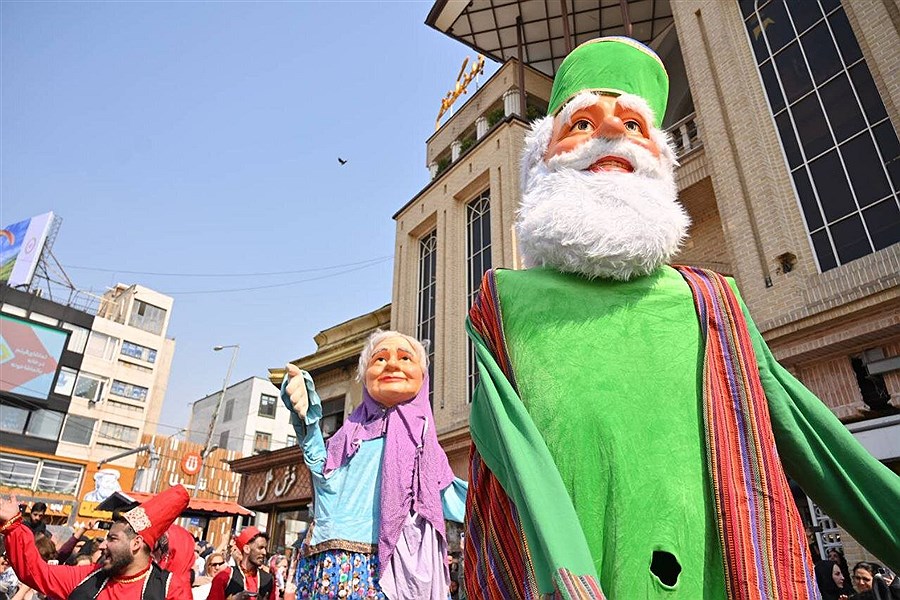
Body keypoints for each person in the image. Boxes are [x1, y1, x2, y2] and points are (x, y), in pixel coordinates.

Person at [463, 36, 900, 599]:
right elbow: (508, 446)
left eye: (633, 123)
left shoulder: (714, 299)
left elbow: (812, 434)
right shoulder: (502, 299)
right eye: (582, 123)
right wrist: (571, 580)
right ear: (542, 159)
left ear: (660, 160)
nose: (612, 132)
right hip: (572, 573)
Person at [282, 330, 467, 599]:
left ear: (423, 376)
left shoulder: (425, 444)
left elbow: (453, 498)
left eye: (405, 358)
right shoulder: (350, 434)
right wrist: (306, 415)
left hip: (397, 569)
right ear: (365, 375)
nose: (392, 364)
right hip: (336, 567)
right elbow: (322, 472)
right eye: (379, 359)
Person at [0, 485, 191, 600]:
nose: (101, 545)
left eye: (112, 539)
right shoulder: (88, 576)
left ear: (136, 544)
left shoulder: (170, 589)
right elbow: (35, 571)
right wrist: (13, 525)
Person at [207, 526, 275, 600]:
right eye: (260, 548)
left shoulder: (268, 580)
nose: (264, 552)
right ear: (246, 549)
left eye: (265, 548)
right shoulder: (225, 577)